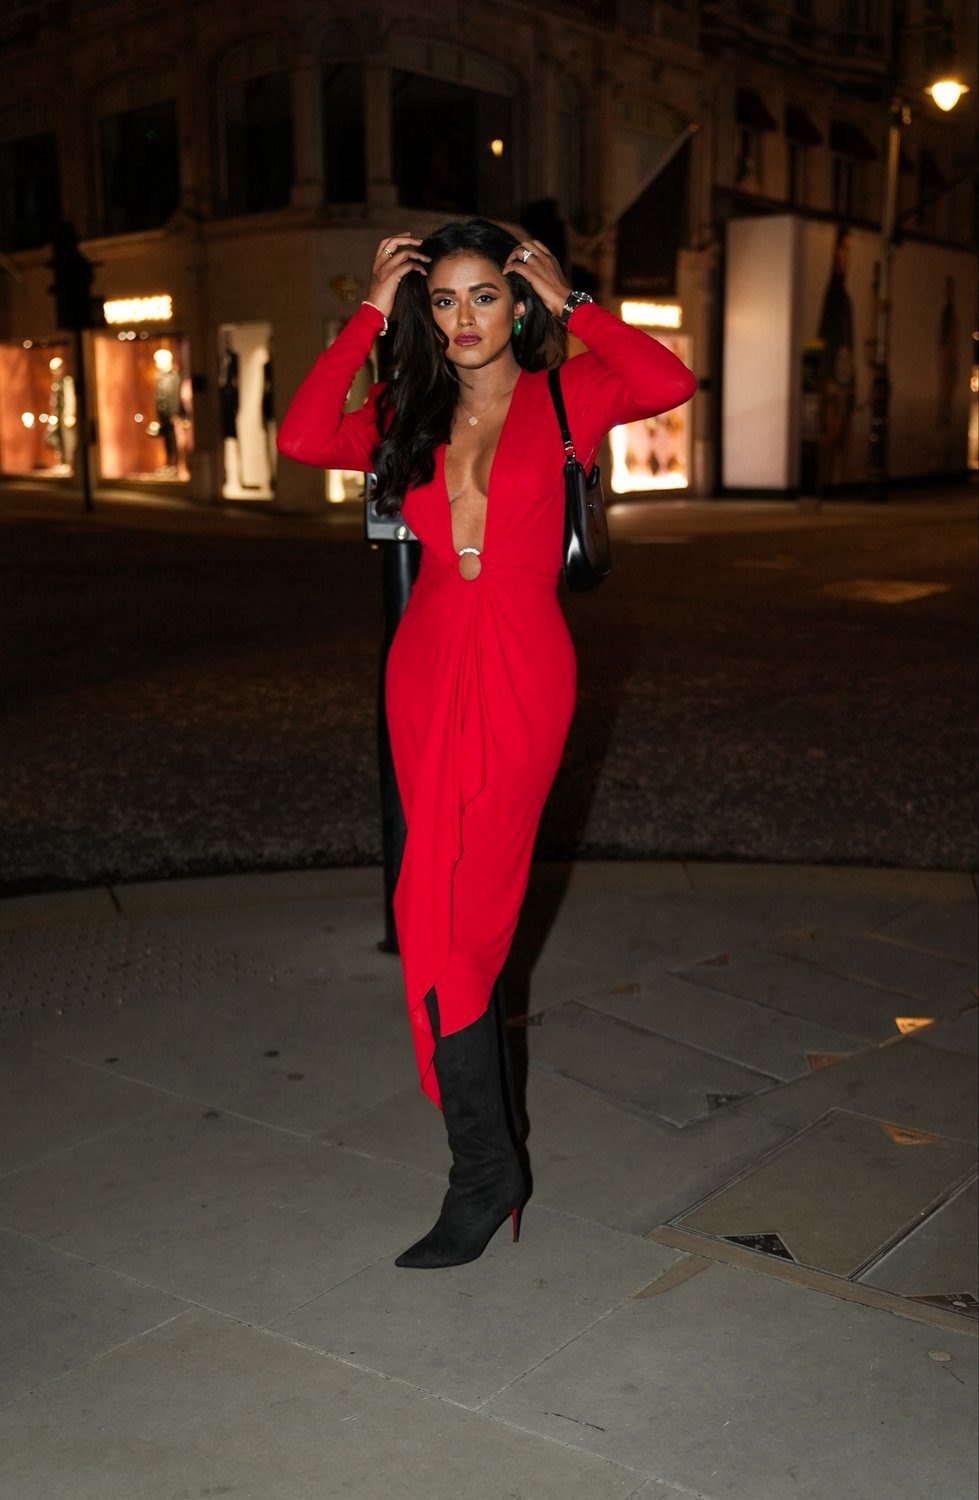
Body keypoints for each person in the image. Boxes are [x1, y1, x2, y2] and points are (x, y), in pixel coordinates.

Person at [277, 218, 695, 1269]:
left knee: (470, 901)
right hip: (423, 668)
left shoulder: (569, 397)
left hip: (521, 666)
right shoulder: (402, 413)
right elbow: (295, 435)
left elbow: (668, 381)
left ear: (517, 306)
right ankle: (487, 1163)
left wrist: (576, 301)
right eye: (443, 301)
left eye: (484, 297)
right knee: (429, 896)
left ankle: (483, 1170)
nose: (463, 320)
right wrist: (369, 309)